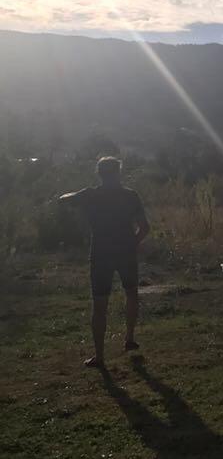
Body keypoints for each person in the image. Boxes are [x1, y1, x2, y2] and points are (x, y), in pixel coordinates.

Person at [60, 156, 150, 368]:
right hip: (126, 252)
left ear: (99, 173)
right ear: (118, 172)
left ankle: (99, 356)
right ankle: (129, 338)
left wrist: (77, 194)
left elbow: (62, 200)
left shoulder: (91, 195)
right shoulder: (130, 196)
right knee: (131, 293)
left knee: (100, 304)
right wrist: (132, 243)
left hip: (101, 254)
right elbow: (144, 228)